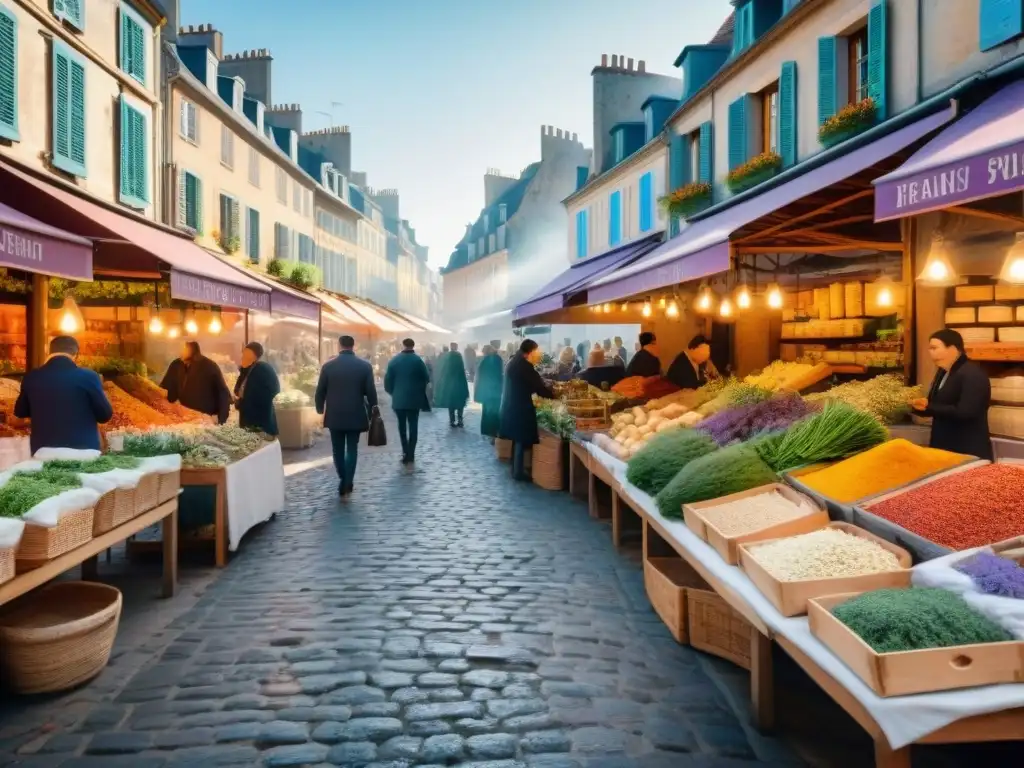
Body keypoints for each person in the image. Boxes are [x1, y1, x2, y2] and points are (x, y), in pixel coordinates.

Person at [15, 335, 113, 453]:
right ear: (76, 355)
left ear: (49, 352)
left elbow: (20, 412)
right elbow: (105, 415)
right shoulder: (89, 376)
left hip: (43, 452)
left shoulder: (32, 377)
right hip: (84, 452)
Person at [912, 329, 992, 460]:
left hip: (967, 449)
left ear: (953, 349)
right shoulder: (942, 372)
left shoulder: (972, 374)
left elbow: (966, 411)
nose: (930, 352)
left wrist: (929, 408)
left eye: (934, 348)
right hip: (943, 447)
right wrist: (916, 406)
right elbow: (935, 405)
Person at [315, 335, 379, 498]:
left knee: (337, 449)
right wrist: (373, 409)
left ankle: (343, 478)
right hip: (355, 413)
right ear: (353, 346)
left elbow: (320, 391)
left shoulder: (328, 366)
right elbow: (370, 391)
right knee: (352, 449)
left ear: (339, 346)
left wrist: (319, 409)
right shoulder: (364, 366)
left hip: (335, 414)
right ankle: (348, 480)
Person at [499, 339, 555, 481]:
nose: (537, 354)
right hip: (519, 405)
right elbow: (538, 386)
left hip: (511, 404)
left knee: (516, 438)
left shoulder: (513, 361)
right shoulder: (523, 366)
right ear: (530, 351)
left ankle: (515, 468)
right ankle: (518, 472)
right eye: (536, 351)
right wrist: (554, 395)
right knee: (520, 438)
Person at [160, 341, 232, 424]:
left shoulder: (209, 366)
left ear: (192, 349)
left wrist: (222, 419)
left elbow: (222, 392)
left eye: (184, 348)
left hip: (206, 417)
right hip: (185, 416)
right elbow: (167, 387)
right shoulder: (176, 365)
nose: (181, 351)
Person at [384, 338, 430, 464]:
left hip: (399, 399)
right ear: (413, 346)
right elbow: (426, 378)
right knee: (413, 425)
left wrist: (394, 393)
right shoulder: (418, 361)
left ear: (402, 345)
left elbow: (387, 382)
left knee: (402, 426)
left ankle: (405, 451)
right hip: (414, 399)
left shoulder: (394, 361)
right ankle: (411, 453)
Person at [233, 342, 281, 435]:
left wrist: (243, 403)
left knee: (260, 446)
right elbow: (238, 389)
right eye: (243, 354)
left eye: (245, 354)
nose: (242, 357)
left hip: (260, 422)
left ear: (254, 356)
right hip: (249, 421)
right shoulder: (248, 369)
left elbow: (274, 390)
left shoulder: (263, 369)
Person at [434, 342, 470, 427]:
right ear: (456, 347)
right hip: (459, 382)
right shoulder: (458, 356)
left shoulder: (447, 356)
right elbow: (462, 370)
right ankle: (460, 420)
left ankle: (452, 420)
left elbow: (444, 369)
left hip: (450, 382)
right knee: (460, 402)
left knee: (451, 403)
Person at [474, 345, 504, 441]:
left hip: (487, 391)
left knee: (488, 412)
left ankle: (490, 432)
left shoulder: (484, 361)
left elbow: (480, 376)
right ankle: (494, 433)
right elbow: (500, 374)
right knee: (494, 412)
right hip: (496, 391)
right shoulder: (498, 359)